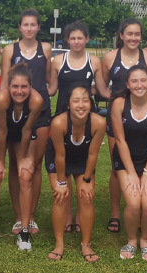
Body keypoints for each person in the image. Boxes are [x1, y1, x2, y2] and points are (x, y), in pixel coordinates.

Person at [96, 18, 147, 234]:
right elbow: (102, 86)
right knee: (117, 166)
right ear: (121, 35)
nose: (133, 38)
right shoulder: (111, 57)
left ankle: (139, 209)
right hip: (118, 118)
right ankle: (115, 212)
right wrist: (115, 99)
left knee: (141, 162)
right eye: (129, 34)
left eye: (137, 34)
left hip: (141, 117)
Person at [0, 63, 43, 251]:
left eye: (24, 87)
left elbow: (26, 130)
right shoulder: (1, 99)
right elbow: (2, 131)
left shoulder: (37, 101)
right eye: (15, 86)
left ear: (30, 86)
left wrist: (23, 158)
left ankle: (24, 230)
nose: (19, 91)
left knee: (25, 175)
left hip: (22, 133)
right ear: (8, 86)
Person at [48, 20, 103, 233]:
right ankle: (68, 215)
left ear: (87, 39)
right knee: (64, 164)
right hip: (63, 116)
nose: (77, 41)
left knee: (84, 161)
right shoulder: (58, 61)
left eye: (81, 38)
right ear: (67, 40)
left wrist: (122, 98)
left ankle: (80, 215)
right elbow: (51, 89)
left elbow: (100, 90)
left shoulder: (94, 61)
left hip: (86, 116)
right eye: (73, 38)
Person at [1, 8, 52, 235]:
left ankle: (30, 216)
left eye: (33, 25)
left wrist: (43, 96)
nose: (29, 29)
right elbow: (4, 84)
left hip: (40, 112)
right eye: (25, 25)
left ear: (38, 27)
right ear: (20, 27)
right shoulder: (9, 49)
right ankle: (18, 215)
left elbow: (50, 81)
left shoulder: (46, 49)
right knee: (16, 163)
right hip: (15, 113)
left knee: (35, 163)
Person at [111, 65, 147, 262]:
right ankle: (132, 240)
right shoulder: (119, 104)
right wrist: (132, 173)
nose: (139, 85)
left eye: (143, 80)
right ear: (127, 84)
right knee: (134, 204)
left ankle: (145, 241)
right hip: (125, 159)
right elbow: (120, 140)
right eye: (134, 81)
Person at [44, 85, 106, 262]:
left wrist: (86, 180)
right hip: (58, 157)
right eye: (76, 100)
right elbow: (60, 155)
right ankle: (59, 243)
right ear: (69, 104)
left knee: (86, 196)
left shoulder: (99, 123)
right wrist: (62, 183)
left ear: (91, 103)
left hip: (83, 157)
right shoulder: (58, 123)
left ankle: (86, 244)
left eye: (85, 100)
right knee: (60, 196)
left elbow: (93, 154)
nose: (81, 105)